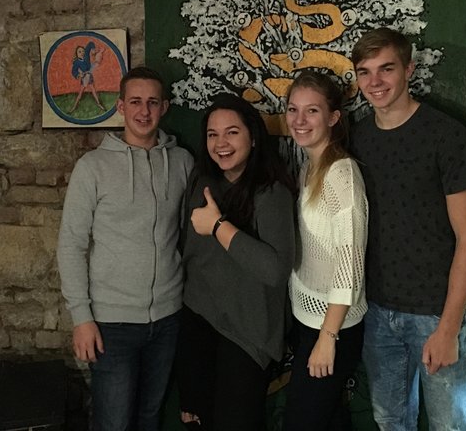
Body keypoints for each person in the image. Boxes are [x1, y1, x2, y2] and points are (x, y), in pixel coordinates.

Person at [349, 29, 466, 431]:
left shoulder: (446, 135)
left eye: (386, 69)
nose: (375, 81)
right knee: (390, 422)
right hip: (376, 310)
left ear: (408, 69)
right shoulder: (357, 138)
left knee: (449, 425)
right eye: (365, 72)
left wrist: (449, 327)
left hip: (435, 311)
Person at [57, 66, 194, 431]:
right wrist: (81, 318)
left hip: (167, 319)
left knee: (149, 419)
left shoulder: (182, 162)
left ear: (164, 107)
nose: (143, 111)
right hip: (112, 323)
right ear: (120, 106)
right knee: (113, 424)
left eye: (152, 102)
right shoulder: (92, 168)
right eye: (135, 102)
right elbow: (71, 244)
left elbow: (189, 233)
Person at [175, 93, 295, 431]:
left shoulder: (271, 191)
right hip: (198, 320)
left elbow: (275, 270)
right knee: (197, 420)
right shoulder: (201, 182)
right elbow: (189, 254)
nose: (221, 143)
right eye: (212, 134)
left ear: (253, 137)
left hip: (247, 332)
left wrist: (218, 226)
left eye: (232, 132)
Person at [282, 71, 368, 431]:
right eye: (293, 109)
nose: (299, 120)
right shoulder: (309, 166)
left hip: (333, 327)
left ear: (333, 118)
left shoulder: (341, 175)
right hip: (307, 319)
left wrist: (327, 338)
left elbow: (350, 267)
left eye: (312, 111)